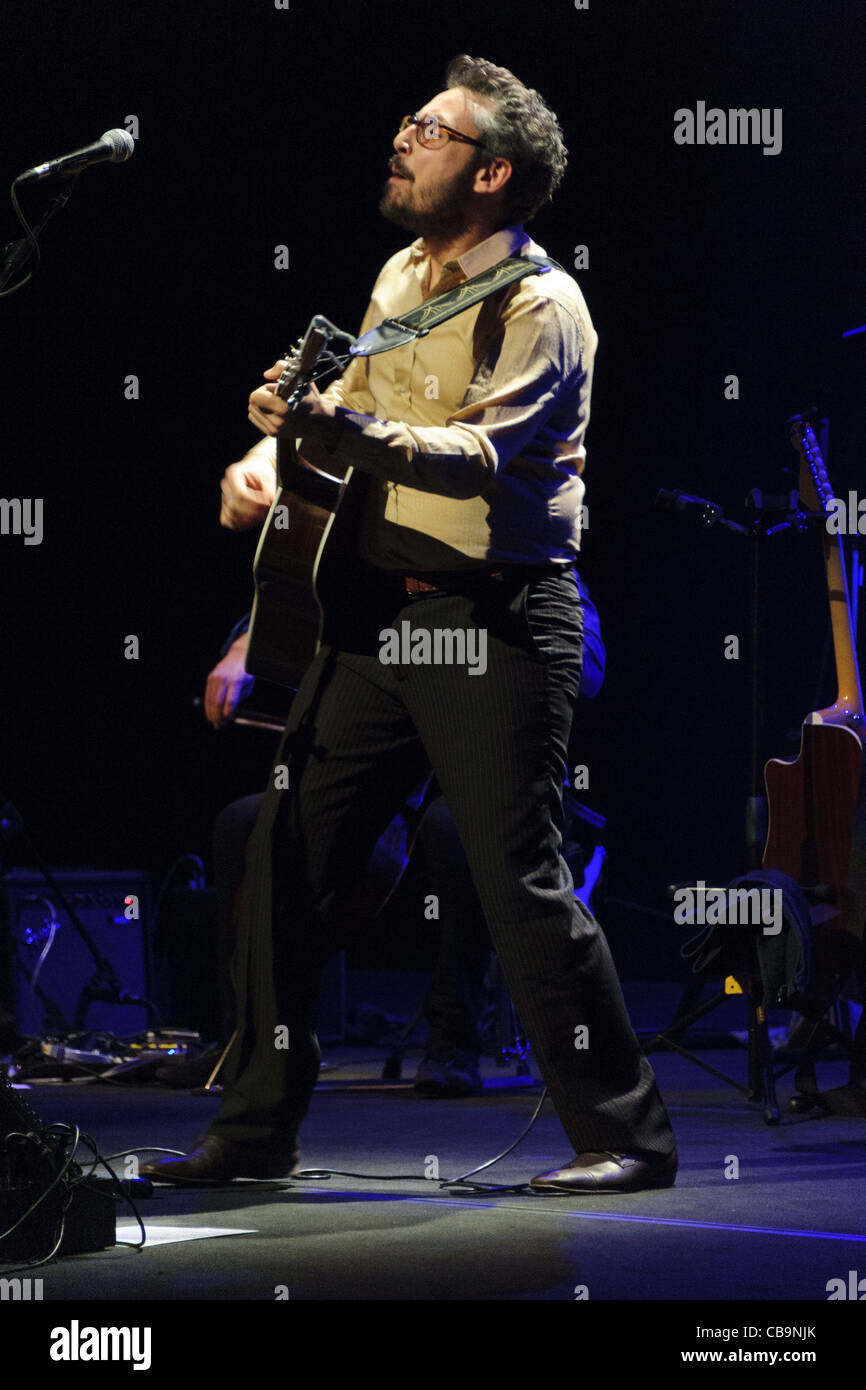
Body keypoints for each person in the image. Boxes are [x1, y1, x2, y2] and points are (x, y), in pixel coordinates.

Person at [142, 55, 677, 1193]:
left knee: (516, 878)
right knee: (285, 859)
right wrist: (262, 453)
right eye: (406, 120)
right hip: (371, 619)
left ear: (490, 173)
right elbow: (333, 408)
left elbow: (478, 458)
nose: (401, 138)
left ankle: (624, 1133)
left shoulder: (541, 302)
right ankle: (252, 1132)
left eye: (428, 130)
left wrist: (340, 430)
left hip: (492, 622)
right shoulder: (400, 276)